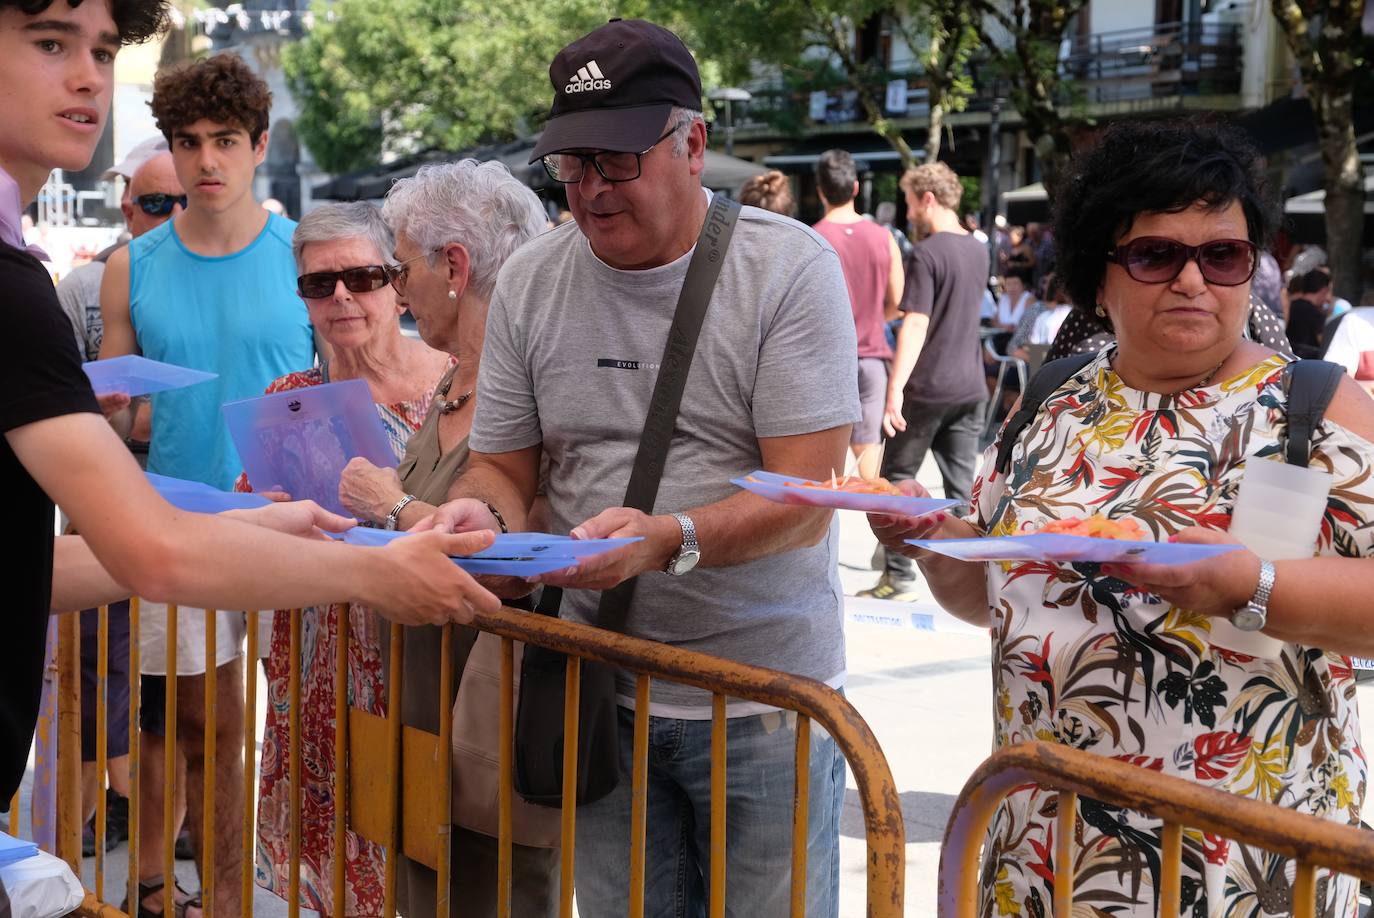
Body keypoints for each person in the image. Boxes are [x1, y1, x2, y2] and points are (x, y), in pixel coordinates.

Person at [0, 11, 498, 918]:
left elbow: (55, 566)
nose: (86, 78)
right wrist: (375, 561)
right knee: (169, 735)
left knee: (242, 747)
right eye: (49, 41)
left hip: (227, 540)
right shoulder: (84, 274)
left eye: (103, 52)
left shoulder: (27, 278)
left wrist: (255, 520)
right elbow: (146, 552)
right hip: (186, 535)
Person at [870, 116, 1374, 917]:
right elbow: (990, 598)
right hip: (1045, 853)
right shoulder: (1050, 401)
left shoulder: (1316, 408)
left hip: (1244, 868)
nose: (1192, 280)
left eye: (1222, 254)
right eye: (1154, 254)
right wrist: (933, 542)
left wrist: (1254, 587)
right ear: (1096, 276)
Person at [424, 19, 858, 918]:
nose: (588, 190)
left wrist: (668, 540)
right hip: (598, 686)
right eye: (571, 164)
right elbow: (502, 471)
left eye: (615, 161)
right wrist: (483, 524)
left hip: (764, 698)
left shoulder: (786, 270)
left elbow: (811, 494)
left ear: (692, 143)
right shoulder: (534, 282)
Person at [327, 163, 560, 917]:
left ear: (453, 265)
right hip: (422, 701)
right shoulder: (456, 378)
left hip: (498, 718)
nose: (398, 290)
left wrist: (394, 507)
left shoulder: (536, 383)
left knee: (497, 896)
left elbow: (518, 549)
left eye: (400, 268)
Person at [230, 202, 451, 916]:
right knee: (330, 873)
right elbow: (248, 540)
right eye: (318, 284)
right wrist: (260, 516)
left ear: (398, 283)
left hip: (427, 659)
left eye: (361, 276)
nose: (341, 297)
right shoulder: (288, 401)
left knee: (435, 855)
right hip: (321, 663)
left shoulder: (460, 386)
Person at [858, 162, 987, 603]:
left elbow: (915, 323)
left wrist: (894, 390)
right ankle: (973, 575)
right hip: (971, 386)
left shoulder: (927, 253)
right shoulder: (979, 250)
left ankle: (898, 576)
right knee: (962, 489)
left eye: (911, 201)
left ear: (927, 199)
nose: (909, 210)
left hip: (929, 385)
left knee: (895, 482)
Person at [812, 149, 903, 478]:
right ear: (854, 188)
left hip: (825, 361)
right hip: (871, 359)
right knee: (870, 470)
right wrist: (874, 320)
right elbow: (898, 300)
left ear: (820, 189)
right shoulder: (884, 237)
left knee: (819, 464)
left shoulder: (811, 238)